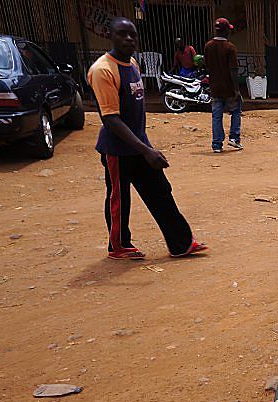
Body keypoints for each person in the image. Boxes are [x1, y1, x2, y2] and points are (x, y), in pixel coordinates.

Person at [88, 17, 207, 260]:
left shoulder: (132, 64)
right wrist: (146, 150)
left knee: (161, 191)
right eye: (122, 34)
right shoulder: (102, 70)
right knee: (119, 198)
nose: (129, 39)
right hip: (117, 150)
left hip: (140, 146)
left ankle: (181, 243)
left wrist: (146, 148)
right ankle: (119, 246)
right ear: (110, 36)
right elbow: (110, 119)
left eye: (132, 34)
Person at [204, 18, 243, 151]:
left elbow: (207, 66)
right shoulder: (230, 47)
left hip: (214, 87)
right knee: (236, 110)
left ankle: (216, 144)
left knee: (216, 116)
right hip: (228, 88)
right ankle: (234, 138)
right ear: (226, 31)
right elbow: (233, 70)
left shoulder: (208, 46)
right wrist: (237, 90)